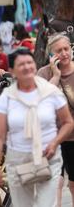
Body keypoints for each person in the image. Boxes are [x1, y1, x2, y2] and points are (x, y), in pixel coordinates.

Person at [0, 48, 73, 207]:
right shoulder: (7, 97)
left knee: (46, 204)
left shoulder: (51, 92)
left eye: (29, 62)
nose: (27, 67)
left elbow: (68, 122)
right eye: (21, 64)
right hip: (17, 160)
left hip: (48, 157)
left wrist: (55, 142)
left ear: (35, 66)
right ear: (12, 71)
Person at [37, 33, 74, 206]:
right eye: (59, 51)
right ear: (51, 55)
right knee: (54, 180)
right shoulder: (43, 73)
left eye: (66, 49)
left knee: (73, 182)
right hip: (52, 137)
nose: (64, 53)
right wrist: (56, 76)